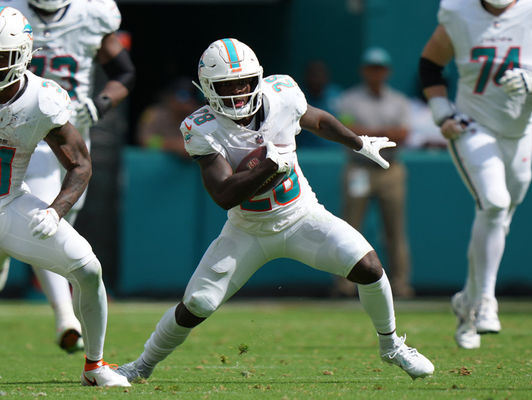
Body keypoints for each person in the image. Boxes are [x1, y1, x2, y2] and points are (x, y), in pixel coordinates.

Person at [116, 38, 434, 382]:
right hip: (247, 230)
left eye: (243, 83)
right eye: (226, 85)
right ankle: (141, 366)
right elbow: (224, 195)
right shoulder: (201, 127)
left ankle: (391, 346)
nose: (238, 92)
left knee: (369, 267)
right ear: (208, 88)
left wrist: (358, 142)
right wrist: (269, 166)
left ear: (257, 79)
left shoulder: (282, 93)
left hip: (302, 216)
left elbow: (318, 120)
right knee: (198, 304)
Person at [419, 0, 532, 349]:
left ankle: (468, 302)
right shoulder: (458, 11)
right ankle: (486, 301)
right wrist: (440, 112)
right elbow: (430, 66)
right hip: (471, 126)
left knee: (498, 216)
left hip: (519, 132)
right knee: (494, 203)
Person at [0, 7, 129, 387]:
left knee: (88, 269)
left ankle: (95, 366)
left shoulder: (40, 99)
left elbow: (80, 164)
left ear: (23, 54)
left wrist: (56, 211)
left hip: (7, 203)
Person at [334, 47, 414, 298]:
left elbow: (403, 134)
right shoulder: (349, 99)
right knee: (349, 229)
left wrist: (366, 134)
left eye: (379, 68)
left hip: (389, 168)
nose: (375, 73)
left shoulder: (398, 100)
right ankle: (344, 284)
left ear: (386, 71)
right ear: (363, 71)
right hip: (360, 168)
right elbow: (346, 130)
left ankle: (400, 285)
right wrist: (383, 133)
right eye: (371, 68)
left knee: (395, 230)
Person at [136, 77, 201, 158]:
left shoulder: (200, 117)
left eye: (190, 99)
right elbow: (144, 141)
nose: (185, 104)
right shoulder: (154, 114)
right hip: (158, 165)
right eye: (181, 96)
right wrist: (172, 145)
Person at [296, 60, 341, 148]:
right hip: (305, 152)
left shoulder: (337, 95)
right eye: (313, 75)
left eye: (320, 75)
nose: (317, 79)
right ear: (306, 76)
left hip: (336, 153)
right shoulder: (297, 97)